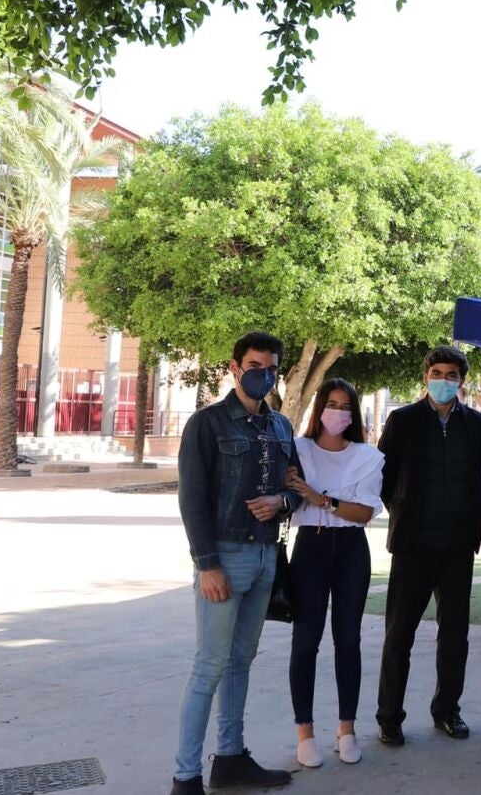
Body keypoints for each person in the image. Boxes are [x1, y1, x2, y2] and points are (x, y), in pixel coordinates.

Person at [170, 331, 300, 795]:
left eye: (271, 368)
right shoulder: (207, 424)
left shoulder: (281, 427)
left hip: (266, 557)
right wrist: (207, 565)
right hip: (224, 557)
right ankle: (186, 776)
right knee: (209, 666)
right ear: (235, 367)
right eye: (254, 366)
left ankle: (230, 757)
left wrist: (281, 502)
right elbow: (192, 499)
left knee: (240, 661)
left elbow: (296, 488)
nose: (263, 375)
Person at [375, 345, 481, 747]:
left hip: (458, 547)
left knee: (455, 635)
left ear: (462, 381)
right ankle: (389, 717)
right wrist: (404, 510)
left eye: (452, 375)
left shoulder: (476, 425)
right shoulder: (403, 420)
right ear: (426, 376)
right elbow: (384, 477)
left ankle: (447, 711)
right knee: (399, 635)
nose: (444, 381)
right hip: (413, 546)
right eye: (437, 373)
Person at [284, 379, 383, 768]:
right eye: (331, 403)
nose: (337, 412)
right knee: (305, 640)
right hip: (310, 548)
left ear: (354, 413)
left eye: (345, 406)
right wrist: (324, 501)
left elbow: (363, 512)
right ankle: (304, 732)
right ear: (319, 407)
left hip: (351, 550)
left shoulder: (368, 456)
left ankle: (346, 729)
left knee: (348, 640)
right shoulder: (299, 448)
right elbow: (288, 495)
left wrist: (319, 498)